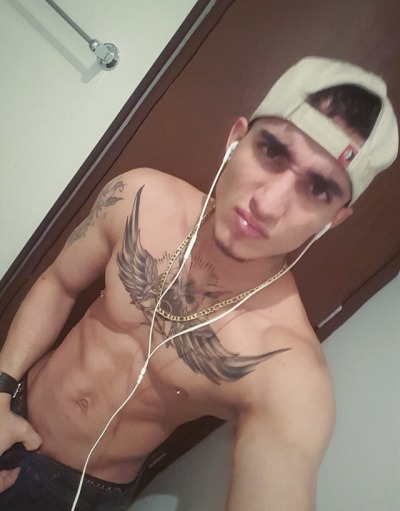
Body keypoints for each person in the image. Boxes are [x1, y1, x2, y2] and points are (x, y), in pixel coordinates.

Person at [0, 56, 398, 511]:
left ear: (334, 220)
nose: (268, 204)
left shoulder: (285, 368)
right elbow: (59, 284)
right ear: (236, 139)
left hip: (76, 493)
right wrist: (1, 387)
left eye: (318, 188)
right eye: (272, 151)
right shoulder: (139, 197)